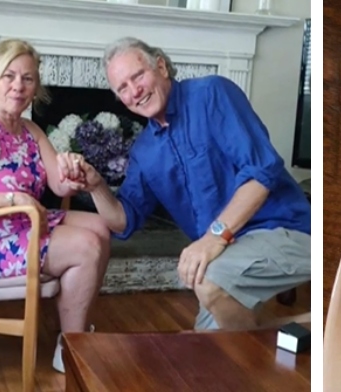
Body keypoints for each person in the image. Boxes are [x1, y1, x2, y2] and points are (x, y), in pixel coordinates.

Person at [65, 37, 311, 331]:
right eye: (123, 88)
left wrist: (212, 239)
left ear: (161, 66)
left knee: (209, 281)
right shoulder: (144, 151)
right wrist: (96, 186)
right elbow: (123, 222)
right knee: (203, 349)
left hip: (287, 230)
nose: (135, 91)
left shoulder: (212, 94)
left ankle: (277, 341)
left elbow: (262, 171)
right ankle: (293, 331)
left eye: (138, 76)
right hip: (229, 254)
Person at [0, 39, 110, 373]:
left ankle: (74, 327)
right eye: (9, 76)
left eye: (28, 78)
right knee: (86, 246)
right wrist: (13, 198)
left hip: (20, 225)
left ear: (36, 86)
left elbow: (59, 184)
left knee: (99, 227)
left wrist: (73, 169)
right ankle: (71, 346)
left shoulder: (29, 128)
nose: (18, 86)